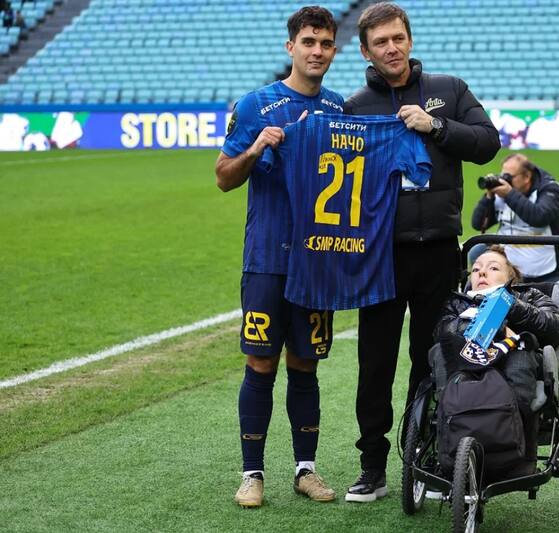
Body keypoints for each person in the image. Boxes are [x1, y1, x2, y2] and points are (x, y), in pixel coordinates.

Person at [342, 2, 501, 502]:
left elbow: (488, 143)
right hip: (379, 256)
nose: (391, 48)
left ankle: (428, 458)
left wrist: (436, 128)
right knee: (375, 362)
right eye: (380, 42)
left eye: (398, 38)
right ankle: (372, 467)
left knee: (432, 358)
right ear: (366, 51)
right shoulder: (354, 107)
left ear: (409, 40)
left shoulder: (448, 90)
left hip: (438, 250)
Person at [214, 6, 344, 507]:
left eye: (326, 43)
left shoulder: (340, 110)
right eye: (309, 42)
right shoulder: (255, 107)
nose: (317, 51)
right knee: (261, 362)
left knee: (306, 365)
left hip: (317, 263)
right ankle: (252, 474)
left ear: (334, 50)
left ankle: (305, 470)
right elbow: (224, 177)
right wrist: (255, 149)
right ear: (290, 47)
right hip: (267, 258)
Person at [433, 246, 559, 461]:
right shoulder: (458, 303)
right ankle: (448, 443)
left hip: (513, 361)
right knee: (438, 351)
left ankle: (516, 441)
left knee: (520, 355)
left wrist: (511, 306)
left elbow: (555, 329)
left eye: (493, 268)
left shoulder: (529, 296)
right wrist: (470, 319)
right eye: (475, 270)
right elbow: (441, 333)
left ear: (511, 278)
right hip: (465, 363)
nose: (482, 273)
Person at [469, 153, 559, 282]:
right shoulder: (504, 191)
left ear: (527, 176)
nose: (505, 180)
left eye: (509, 177)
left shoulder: (550, 190)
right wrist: (488, 197)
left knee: (543, 302)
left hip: (548, 267)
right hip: (511, 265)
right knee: (476, 251)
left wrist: (509, 194)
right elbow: (478, 224)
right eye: (503, 175)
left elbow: (539, 217)